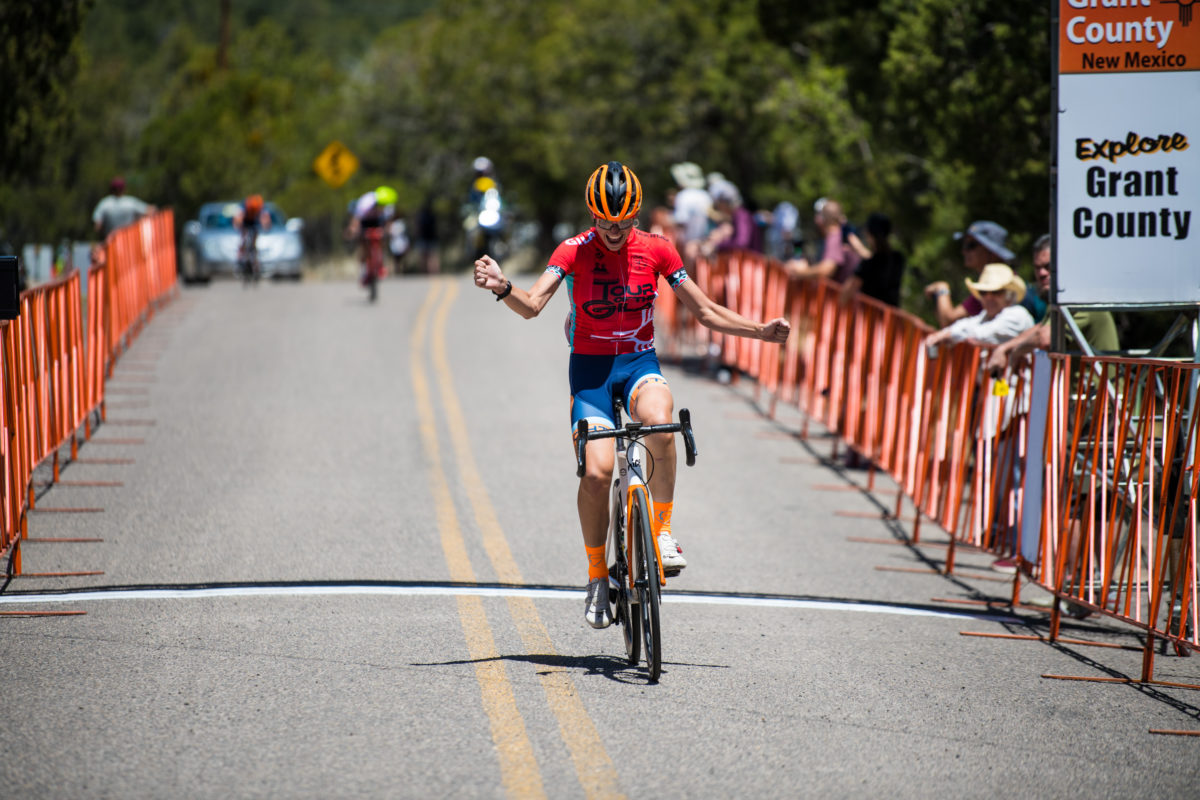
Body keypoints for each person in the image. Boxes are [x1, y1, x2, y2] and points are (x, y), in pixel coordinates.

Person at [472, 161, 790, 629]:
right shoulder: (572, 250)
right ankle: (598, 574)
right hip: (591, 370)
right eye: (605, 221)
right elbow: (533, 305)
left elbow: (703, 311)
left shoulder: (658, 250)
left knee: (662, 422)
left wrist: (760, 331)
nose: (615, 231)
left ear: (636, 216)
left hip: (639, 362)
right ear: (592, 215)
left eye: (624, 222)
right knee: (598, 473)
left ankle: (660, 531)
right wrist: (503, 287)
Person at [984, 234, 1120, 375]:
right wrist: (1005, 348)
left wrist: (1017, 351)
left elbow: (1045, 337)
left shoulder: (1081, 298)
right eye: (1038, 267)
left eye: (1049, 266)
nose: (1042, 273)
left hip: (1103, 394)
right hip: (1082, 392)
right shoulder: (1060, 298)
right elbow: (1041, 327)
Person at [924, 263, 1034, 352]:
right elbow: (967, 324)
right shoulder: (986, 316)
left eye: (996, 292)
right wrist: (943, 334)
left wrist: (947, 334)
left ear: (1009, 295)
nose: (989, 297)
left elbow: (981, 334)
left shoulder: (1017, 315)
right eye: (984, 292)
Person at [924, 220, 1013, 328]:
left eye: (971, 245)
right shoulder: (992, 281)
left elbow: (949, 321)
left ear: (991, 251)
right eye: (964, 245)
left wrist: (942, 289)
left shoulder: (999, 284)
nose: (964, 251)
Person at [784, 198, 860, 283]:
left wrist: (800, 272)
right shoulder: (837, 236)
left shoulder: (834, 237)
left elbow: (826, 269)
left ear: (822, 219)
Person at [841, 212, 905, 308]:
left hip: (870, 318)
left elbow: (847, 290)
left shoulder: (869, 264)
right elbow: (879, 257)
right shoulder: (898, 258)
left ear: (869, 233)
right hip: (891, 319)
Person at [669, 161, 712, 265]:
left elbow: (681, 221)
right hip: (704, 243)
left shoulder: (684, 196)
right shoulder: (706, 196)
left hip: (688, 245)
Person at [233, 194, 272, 280]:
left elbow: (264, 218)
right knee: (243, 238)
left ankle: (255, 263)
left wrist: (266, 226)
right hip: (245, 221)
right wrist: (238, 225)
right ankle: (240, 258)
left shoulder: (259, 207)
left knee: (254, 241)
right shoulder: (245, 206)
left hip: (254, 222)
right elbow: (238, 218)